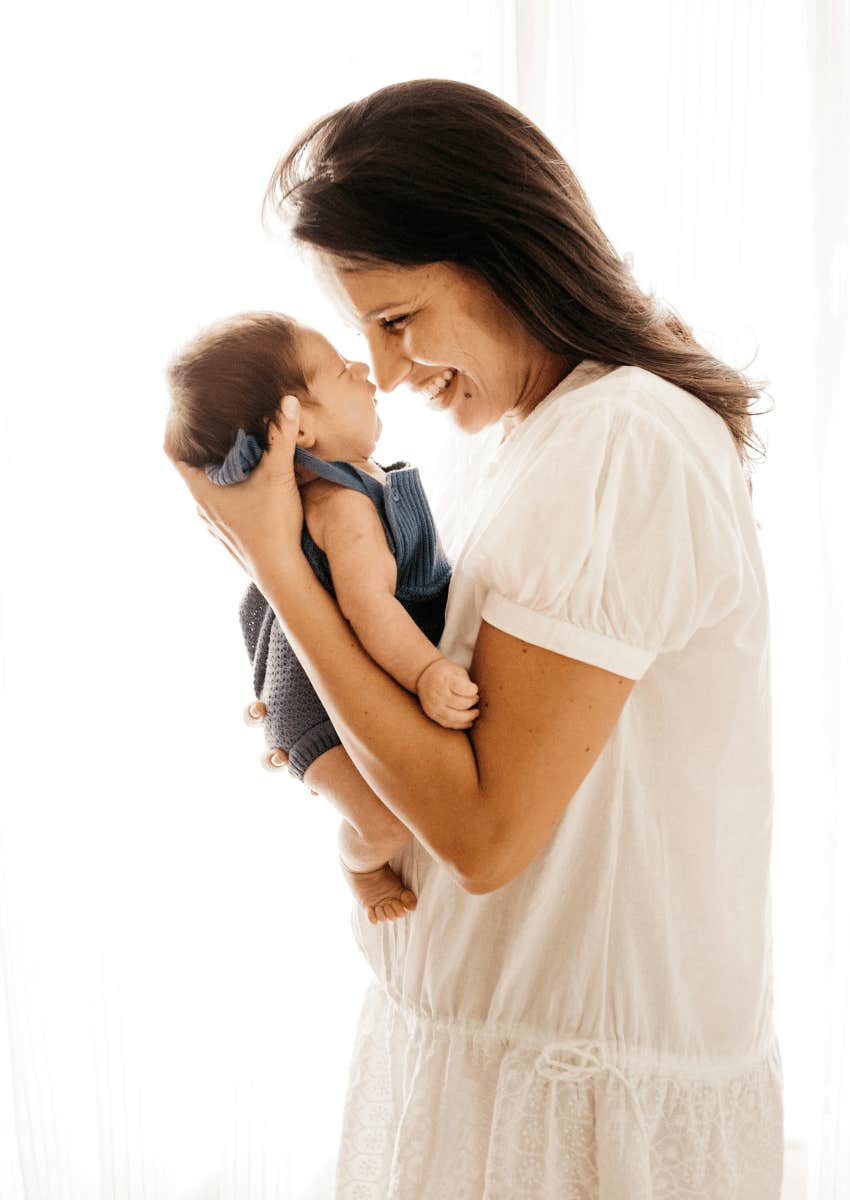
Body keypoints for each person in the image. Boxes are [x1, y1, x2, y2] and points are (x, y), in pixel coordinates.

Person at [167, 79, 784, 1198]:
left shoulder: (621, 441)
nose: (389, 373)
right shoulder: (539, 436)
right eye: (363, 335)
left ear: (505, 252)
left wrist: (272, 567)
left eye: (398, 321)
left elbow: (485, 834)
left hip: (567, 1111)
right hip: (493, 1073)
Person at [164, 311, 480, 924]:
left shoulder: (358, 483)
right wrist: (426, 674)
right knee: (387, 820)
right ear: (297, 426)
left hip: (338, 671)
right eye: (340, 369)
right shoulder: (341, 507)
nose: (365, 369)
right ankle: (359, 865)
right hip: (311, 702)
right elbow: (370, 610)